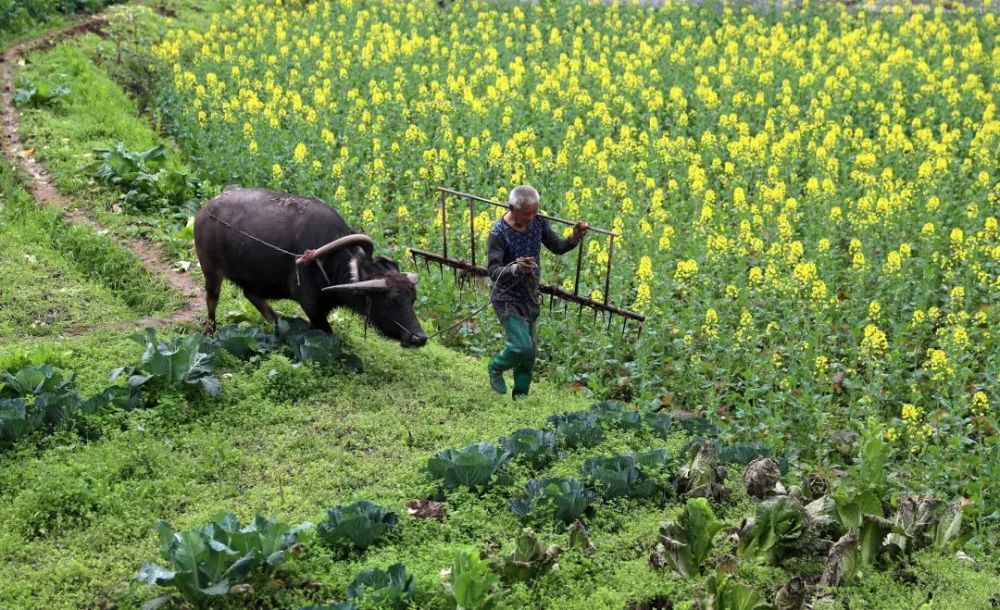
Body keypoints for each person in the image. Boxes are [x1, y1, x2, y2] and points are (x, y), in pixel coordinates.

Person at [486, 184, 589, 399]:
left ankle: (520, 398)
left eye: (535, 212)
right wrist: (515, 268)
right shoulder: (498, 233)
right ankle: (496, 367)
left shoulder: (538, 222)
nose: (532, 217)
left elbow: (557, 247)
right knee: (520, 347)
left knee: (529, 355)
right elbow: (493, 270)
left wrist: (575, 237)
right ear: (512, 208)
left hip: (529, 295)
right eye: (527, 214)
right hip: (507, 297)